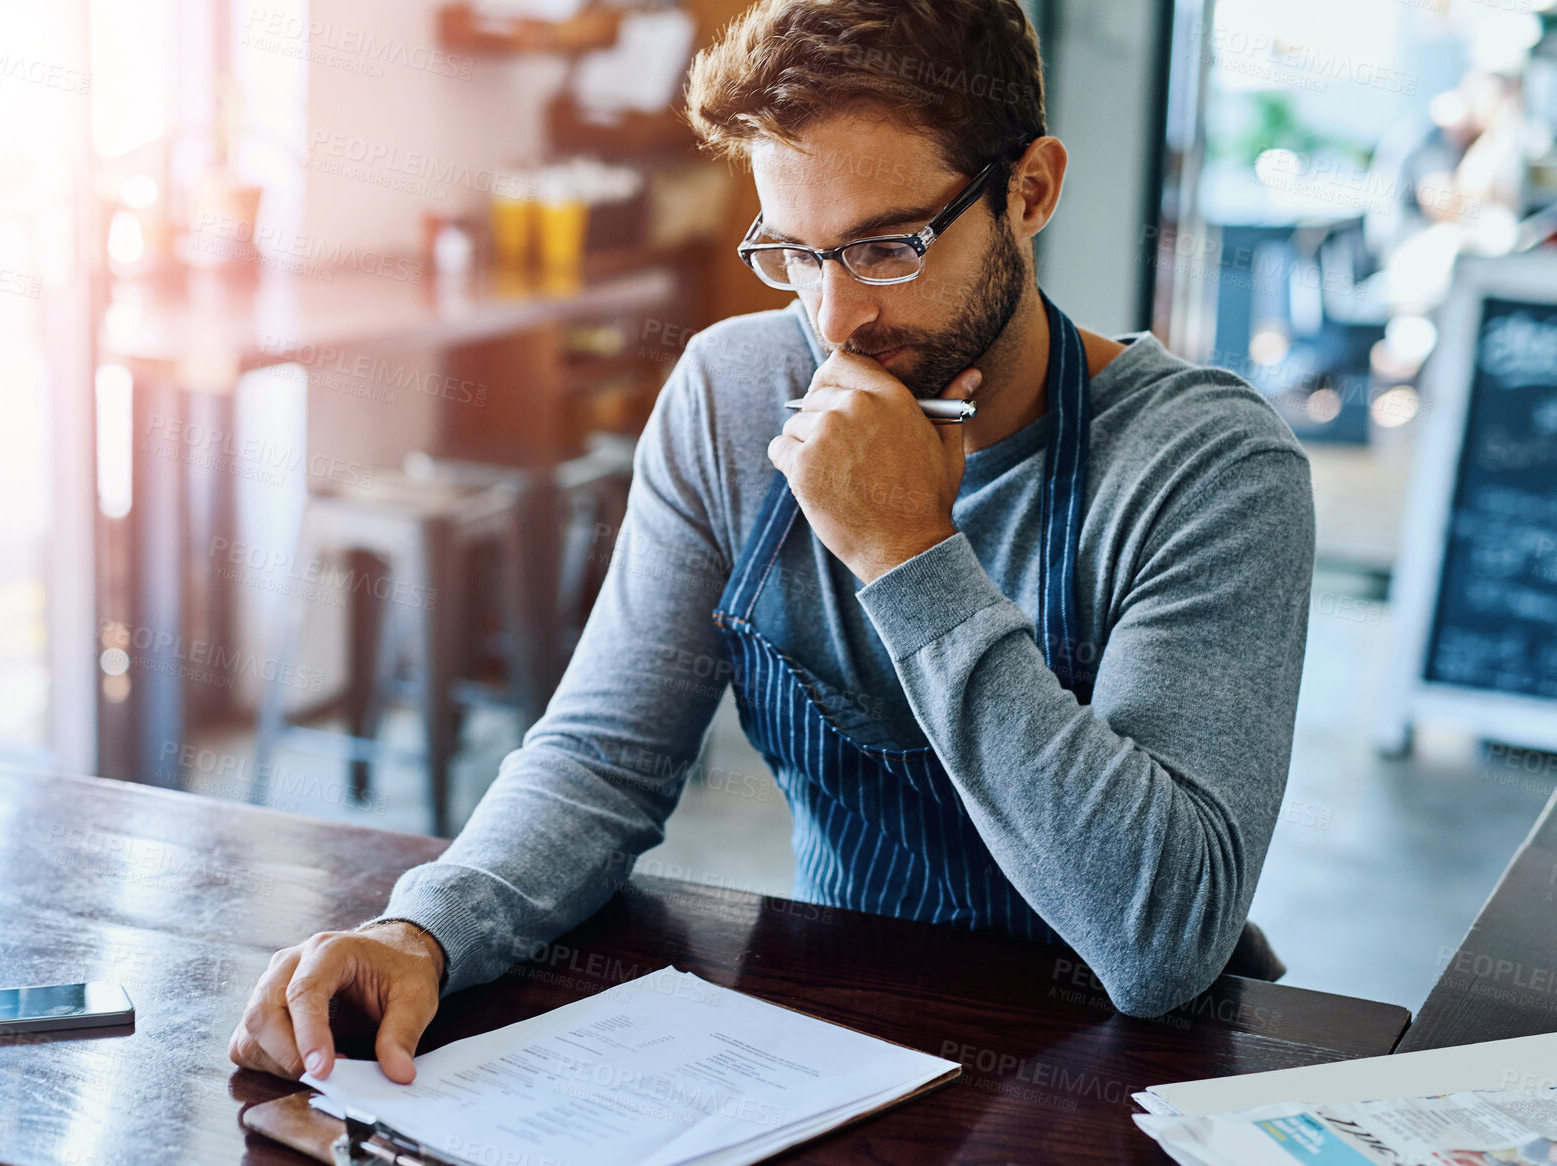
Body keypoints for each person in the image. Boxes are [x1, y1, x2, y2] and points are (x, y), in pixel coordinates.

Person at [230, 0, 1313, 1085]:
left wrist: (908, 553)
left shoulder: (1207, 467)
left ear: (1028, 191)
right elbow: (601, 759)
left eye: (887, 246)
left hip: (1121, 1074)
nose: (834, 319)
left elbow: (1158, 942)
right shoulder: (733, 391)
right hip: (834, 1040)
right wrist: (425, 931)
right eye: (794, 252)